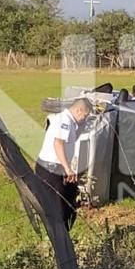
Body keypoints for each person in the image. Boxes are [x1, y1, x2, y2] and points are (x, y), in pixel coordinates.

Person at [35, 97, 93, 230]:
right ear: (79, 110)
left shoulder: (71, 122)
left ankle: (64, 234)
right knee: (58, 208)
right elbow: (58, 144)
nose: (84, 118)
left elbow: (71, 140)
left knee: (70, 200)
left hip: (58, 168)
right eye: (85, 115)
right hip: (51, 169)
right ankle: (59, 236)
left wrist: (83, 125)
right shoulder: (64, 121)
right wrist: (68, 168)